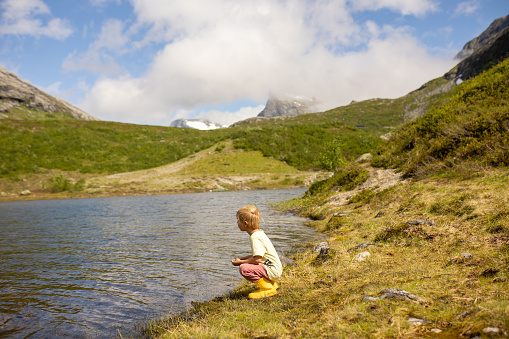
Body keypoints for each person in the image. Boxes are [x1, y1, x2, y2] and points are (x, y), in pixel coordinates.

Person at [231, 205, 283, 299]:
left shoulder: (255, 237)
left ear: (245, 224)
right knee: (248, 265)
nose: (237, 222)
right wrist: (245, 258)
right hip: (274, 268)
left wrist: (240, 262)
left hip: (272, 270)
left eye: (238, 220)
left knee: (244, 268)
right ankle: (271, 284)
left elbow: (258, 259)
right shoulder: (259, 233)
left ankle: (267, 289)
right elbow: (259, 254)